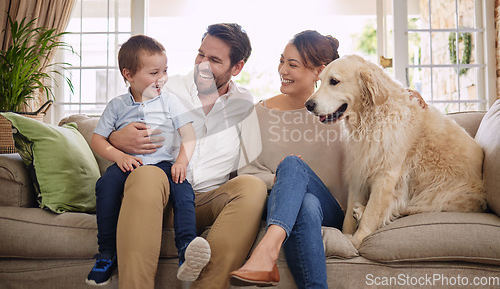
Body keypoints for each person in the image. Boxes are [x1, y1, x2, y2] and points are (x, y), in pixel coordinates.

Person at [107, 24, 268, 289]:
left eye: (214, 60)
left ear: (236, 68)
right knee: (147, 174)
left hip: (206, 202)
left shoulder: (244, 104)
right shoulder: (165, 88)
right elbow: (117, 121)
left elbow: (251, 167)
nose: (202, 65)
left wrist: (283, 176)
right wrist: (116, 137)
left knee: (253, 187)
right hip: (160, 197)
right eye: (200, 54)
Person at [86, 35, 208, 286]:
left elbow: (189, 134)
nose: (161, 78)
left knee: (183, 191)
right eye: (154, 72)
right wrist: (119, 156)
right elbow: (97, 139)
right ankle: (106, 254)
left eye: (165, 70)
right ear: (128, 75)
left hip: (164, 166)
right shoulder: (117, 106)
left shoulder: (170, 101)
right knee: (105, 186)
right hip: (127, 164)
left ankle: (186, 249)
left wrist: (181, 162)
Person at [230, 30, 345, 288]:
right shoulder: (256, 114)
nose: (282, 69)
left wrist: (409, 98)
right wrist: (286, 180)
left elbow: (382, 113)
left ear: (320, 72)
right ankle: (269, 252)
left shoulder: (341, 113)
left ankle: (265, 253)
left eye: (292, 65)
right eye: (282, 61)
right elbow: (246, 172)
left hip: (331, 208)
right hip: (278, 205)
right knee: (302, 195)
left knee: (293, 166)